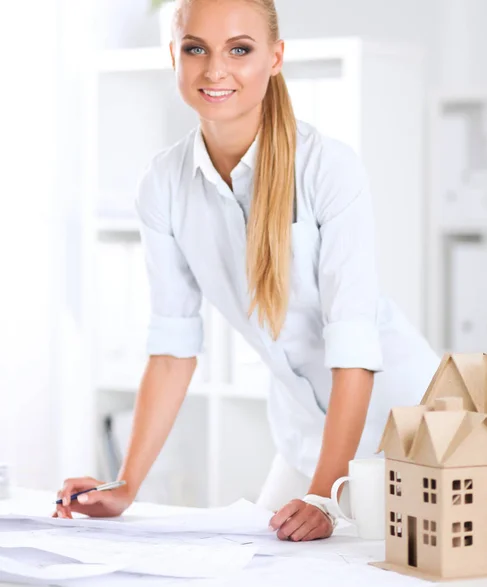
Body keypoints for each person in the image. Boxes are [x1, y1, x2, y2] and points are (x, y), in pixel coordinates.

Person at [54, 0, 439, 542]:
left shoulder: (328, 168)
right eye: (196, 49)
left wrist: (323, 497)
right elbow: (173, 348)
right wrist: (125, 484)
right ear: (173, 56)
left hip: (406, 428)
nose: (216, 70)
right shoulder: (163, 184)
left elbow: (353, 345)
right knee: (259, 569)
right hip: (306, 435)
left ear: (275, 57)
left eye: (240, 49)